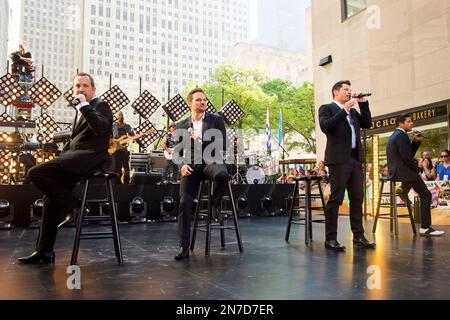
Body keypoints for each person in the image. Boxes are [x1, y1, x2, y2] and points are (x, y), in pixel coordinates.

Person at [18, 73, 113, 264]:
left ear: (93, 89)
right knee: (50, 200)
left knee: (34, 172)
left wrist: (85, 106)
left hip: (85, 160)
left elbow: (102, 129)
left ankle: (76, 206)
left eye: (85, 85)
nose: (81, 89)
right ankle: (44, 252)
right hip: (72, 159)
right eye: (77, 85)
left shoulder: (99, 105)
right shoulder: (80, 110)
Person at [318, 80, 375, 251]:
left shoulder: (353, 112)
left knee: (357, 198)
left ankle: (358, 236)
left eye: (350, 90)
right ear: (336, 92)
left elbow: (367, 123)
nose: (349, 92)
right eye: (346, 89)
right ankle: (330, 239)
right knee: (336, 199)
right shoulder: (327, 108)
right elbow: (326, 126)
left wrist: (363, 104)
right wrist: (345, 110)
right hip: (338, 160)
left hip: (355, 158)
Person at [172, 88, 228, 260]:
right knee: (184, 202)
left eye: (204, 100)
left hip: (211, 161)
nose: (203, 102)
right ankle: (184, 247)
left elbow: (222, 145)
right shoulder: (181, 125)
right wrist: (181, 166)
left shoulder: (216, 120)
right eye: (198, 100)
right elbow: (177, 153)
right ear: (190, 103)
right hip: (192, 165)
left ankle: (215, 205)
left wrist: (201, 139)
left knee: (222, 175)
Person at [386, 114, 444, 236]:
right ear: (400, 123)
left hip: (399, 171)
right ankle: (425, 227)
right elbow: (407, 158)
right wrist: (416, 169)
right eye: (409, 121)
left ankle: (402, 190)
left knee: (421, 192)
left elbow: (407, 153)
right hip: (403, 171)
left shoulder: (397, 135)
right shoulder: (401, 135)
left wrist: (415, 141)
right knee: (426, 194)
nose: (412, 123)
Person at [111, 111, 134, 184]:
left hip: (124, 149)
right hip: (116, 150)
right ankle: (117, 183)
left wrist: (130, 137)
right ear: (117, 116)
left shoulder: (127, 126)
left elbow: (132, 134)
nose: (120, 116)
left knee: (126, 167)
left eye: (121, 114)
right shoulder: (113, 125)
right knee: (116, 168)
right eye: (119, 115)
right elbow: (110, 135)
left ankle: (127, 183)